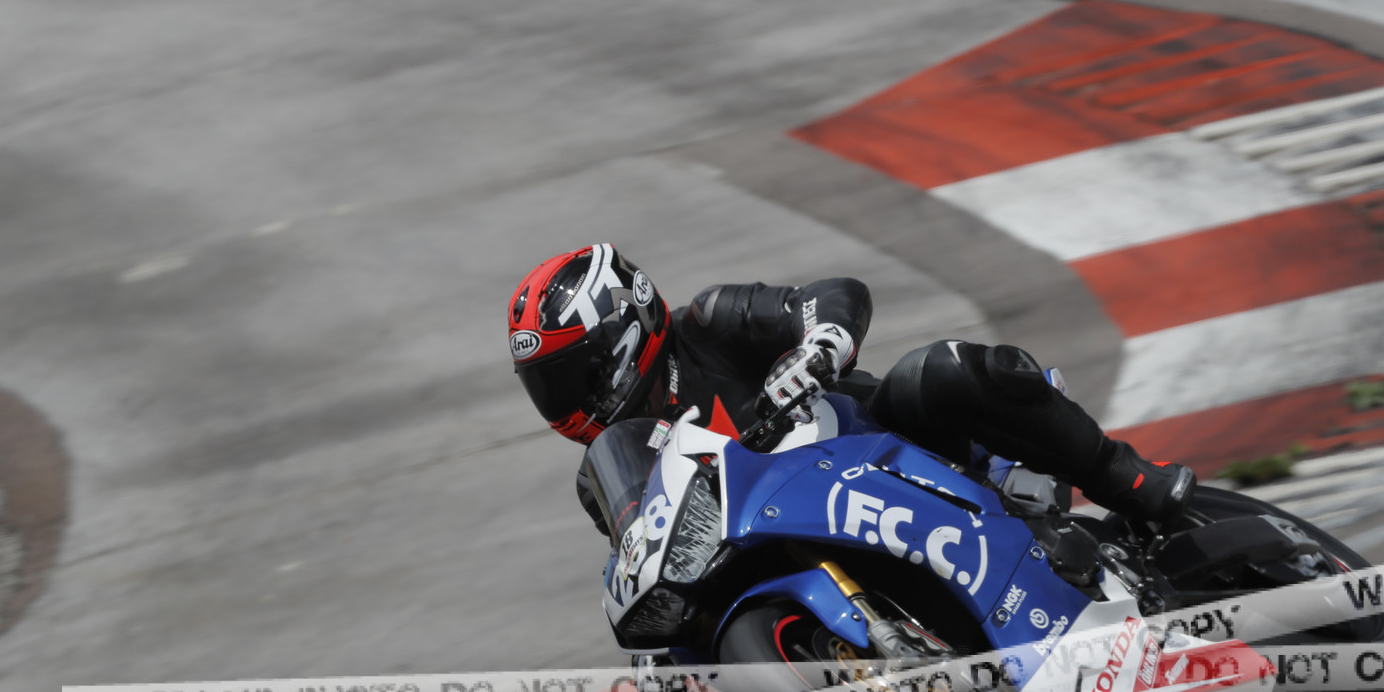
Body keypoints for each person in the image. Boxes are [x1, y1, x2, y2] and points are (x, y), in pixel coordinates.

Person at [510, 243, 1193, 531]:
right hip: (794, 537)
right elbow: (647, 552)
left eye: (570, 373)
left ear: (623, 330)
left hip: (891, 448)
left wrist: (821, 344)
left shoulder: (708, 322)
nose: (564, 398)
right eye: (546, 384)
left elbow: (828, 295)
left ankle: (1121, 474)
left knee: (942, 368)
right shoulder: (609, 470)